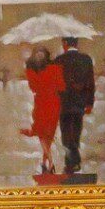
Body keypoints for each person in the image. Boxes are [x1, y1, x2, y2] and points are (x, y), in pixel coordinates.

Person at [19, 46, 65, 174]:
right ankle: (48, 163)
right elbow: (60, 86)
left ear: (46, 55)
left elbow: (59, 86)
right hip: (46, 102)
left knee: (46, 134)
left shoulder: (48, 69)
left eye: (41, 54)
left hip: (48, 102)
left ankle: (48, 163)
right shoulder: (49, 69)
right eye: (37, 54)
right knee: (43, 132)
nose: (39, 56)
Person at [53, 36, 95, 174]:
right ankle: (73, 163)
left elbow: (54, 85)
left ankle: (72, 163)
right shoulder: (86, 59)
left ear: (65, 43)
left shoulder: (58, 61)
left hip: (63, 103)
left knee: (66, 134)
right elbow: (90, 83)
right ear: (76, 44)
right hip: (79, 103)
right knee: (76, 132)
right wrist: (89, 102)